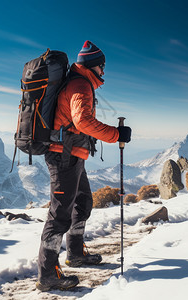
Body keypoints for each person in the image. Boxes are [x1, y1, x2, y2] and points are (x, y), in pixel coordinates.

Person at [36, 40, 132, 292]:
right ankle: (47, 274)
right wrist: (116, 134)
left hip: (73, 155)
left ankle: (75, 254)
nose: (104, 72)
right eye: (102, 67)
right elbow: (83, 121)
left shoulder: (80, 83)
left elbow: (78, 120)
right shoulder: (80, 84)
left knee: (83, 203)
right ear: (94, 66)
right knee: (59, 216)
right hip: (63, 157)